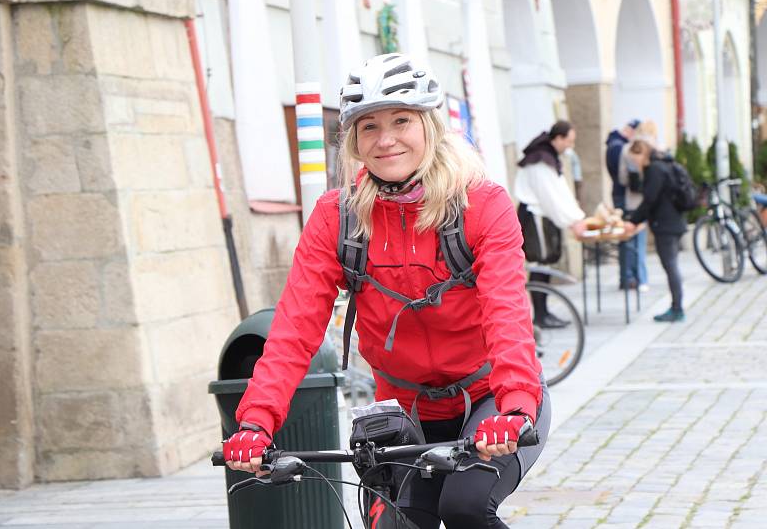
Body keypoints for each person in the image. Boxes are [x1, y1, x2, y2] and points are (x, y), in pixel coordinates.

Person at [223, 53, 551, 529]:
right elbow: (294, 328)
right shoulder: (339, 218)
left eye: (402, 120)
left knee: (464, 507)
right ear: (354, 140)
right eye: (369, 126)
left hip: (490, 400)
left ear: (430, 127)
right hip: (405, 410)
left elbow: (508, 313)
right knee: (393, 524)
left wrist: (515, 407)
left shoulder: (481, 204)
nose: (386, 139)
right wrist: (255, 422)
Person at [515, 120, 587, 328]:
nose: (569, 146)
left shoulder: (548, 158)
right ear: (558, 138)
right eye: (569, 141)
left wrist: (576, 217)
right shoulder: (539, 162)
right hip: (534, 216)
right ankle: (540, 315)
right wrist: (573, 220)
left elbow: (560, 193)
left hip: (542, 215)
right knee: (539, 263)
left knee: (544, 264)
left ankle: (544, 312)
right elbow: (550, 197)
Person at [624, 139, 686, 322]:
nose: (634, 164)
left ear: (641, 154)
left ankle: (677, 308)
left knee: (670, 266)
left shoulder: (654, 169)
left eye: (634, 159)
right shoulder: (665, 164)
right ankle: (677, 306)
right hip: (674, 221)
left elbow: (650, 200)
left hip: (665, 224)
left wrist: (633, 221)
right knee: (672, 265)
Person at [606, 119, 646, 290]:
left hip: (622, 195)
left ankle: (628, 277)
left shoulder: (614, 144)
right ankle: (630, 277)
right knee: (630, 237)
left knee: (628, 238)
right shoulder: (621, 148)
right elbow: (622, 177)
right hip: (627, 197)